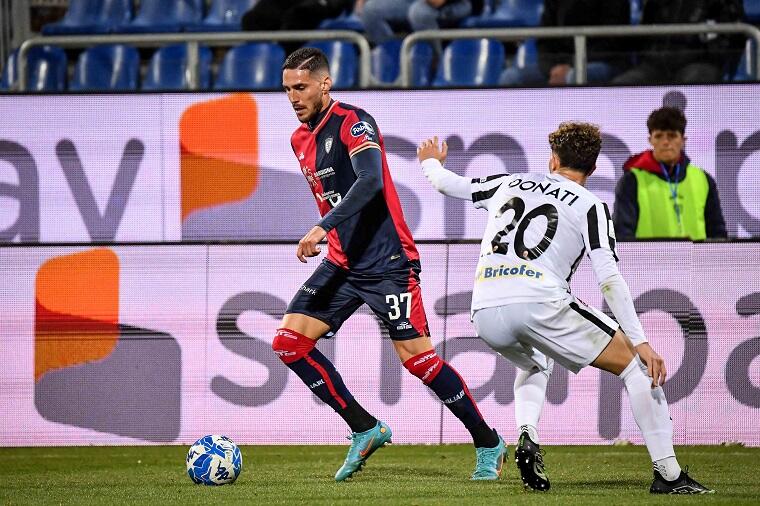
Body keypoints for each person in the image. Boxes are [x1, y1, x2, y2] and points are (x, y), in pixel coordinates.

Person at [417, 123, 714, 494]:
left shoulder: (510, 182)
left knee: (535, 361)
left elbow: (450, 184)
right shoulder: (592, 206)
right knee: (637, 368)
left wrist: (430, 163)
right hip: (539, 300)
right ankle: (669, 476)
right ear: (591, 169)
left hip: (485, 308)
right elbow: (609, 279)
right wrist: (640, 341)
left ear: (553, 159)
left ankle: (527, 436)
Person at [275, 47, 506, 482]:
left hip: (387, 264)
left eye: (301, 87)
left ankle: (488, 441)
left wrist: (323, 227)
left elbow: (370, 182)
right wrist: (333, 236)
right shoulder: (298, 139)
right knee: (289, 343)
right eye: (287, 89)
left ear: (325, 83)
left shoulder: (353, 122)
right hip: (343, 264)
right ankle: (364, 428)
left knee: (418, 362)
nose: (293, 96)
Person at [614, 106, 727, 240]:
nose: (666, 142)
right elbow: (622, 234)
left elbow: (717, 233)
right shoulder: (631, 181)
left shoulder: (704, 179)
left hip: (697, 260)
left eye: (672, 136)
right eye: (659, 136)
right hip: (651, 260)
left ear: (683, 140)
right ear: (650, 140)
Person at [612, 0, 745, 85]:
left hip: (699, 62)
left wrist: (710, 56)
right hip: (655, 64)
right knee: (622, 84)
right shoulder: (657, 3)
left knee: (693, 82)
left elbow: (731, 33)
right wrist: (649, 55)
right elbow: (646, 31)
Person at [500, 0, 631, 86]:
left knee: (574, 76)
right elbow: (544, 41)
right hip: (558, 65)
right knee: (510, 77)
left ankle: (577, 126)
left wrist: (571, 66)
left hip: (605, 62)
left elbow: (612, 43)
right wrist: (552, 69)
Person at [360, 0, 479, 45]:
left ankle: (431, 66)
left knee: (419, 13)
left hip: (458, 4)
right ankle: (396, 64)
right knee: (371, 10)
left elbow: (436, 2)